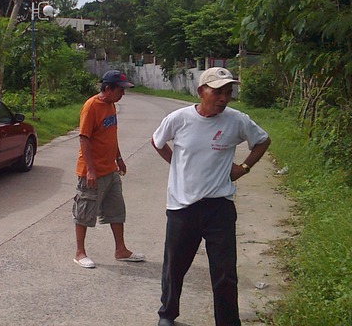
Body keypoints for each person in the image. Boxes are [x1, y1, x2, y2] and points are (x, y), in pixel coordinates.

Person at [151, 67, 271, 326]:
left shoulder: (236, 120)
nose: (224, 98)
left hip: (219, 207)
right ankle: (167, 314)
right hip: (182, 206)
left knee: (225, 272)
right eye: (217, 92)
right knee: (175, 267)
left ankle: (227, 322)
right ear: (201, 91)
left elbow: (262, 140)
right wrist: (175, 164)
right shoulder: (179, 119)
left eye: (228, 92)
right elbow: (158, 142)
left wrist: (243, 168)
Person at [73, 69, 145, 268]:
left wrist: (119, 159)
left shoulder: (112, 106)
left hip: (110, 170)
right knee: (84, 211)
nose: (123, 93)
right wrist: (90, 169)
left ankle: (120, 250)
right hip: (92, 171)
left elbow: (111, 135)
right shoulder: (91, 107)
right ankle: (80, 253)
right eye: (120, 90)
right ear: (107, 88)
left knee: (116, 210)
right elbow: (84, 139)